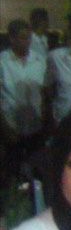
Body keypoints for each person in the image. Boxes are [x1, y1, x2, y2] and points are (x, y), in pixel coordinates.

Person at [0, 18, 47, 172]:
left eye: (28, 38)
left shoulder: (40, 60)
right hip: (10, 126)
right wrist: (4, 127)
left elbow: (46, 93)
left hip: (36, 126)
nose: (26, 42)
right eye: (22, 38)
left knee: (36, 170)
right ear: (12, 38)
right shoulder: (2, 62)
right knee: (11, 170)